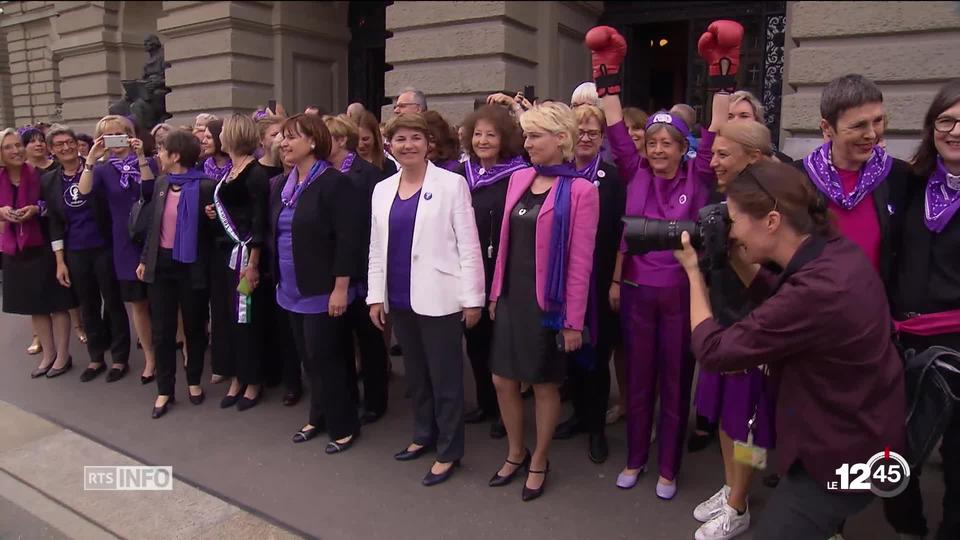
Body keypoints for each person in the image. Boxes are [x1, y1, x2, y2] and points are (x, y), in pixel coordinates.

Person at [677, 161, 905, 540]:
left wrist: (691, 273)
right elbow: (783, 297)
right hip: (864, 434)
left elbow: (714, 351)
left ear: (771, 221)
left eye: (733, 221)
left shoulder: (819, 289)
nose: (728, 230)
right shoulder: (835, 253)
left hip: (843, 457)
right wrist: (734, 256)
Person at [586, 25, 718, 498]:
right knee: (638, 382)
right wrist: (608, 77)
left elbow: (716, 129)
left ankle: (668, 467)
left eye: (669, 143)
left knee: (675, 382)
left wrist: (722, 74)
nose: (658, 149)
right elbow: (617, 127)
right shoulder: (633, 170)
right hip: (640, 294)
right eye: (653, 142)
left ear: (684, 148)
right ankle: (637, 458)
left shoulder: (698, 177)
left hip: (680, 296)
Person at [487, 102, 599, 501]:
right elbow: (504, 244)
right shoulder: (519, 179)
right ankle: (516, 451)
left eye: (535, 136)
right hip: (512, 297)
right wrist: (495, 292)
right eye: (527, 134)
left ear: (561, 139)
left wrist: (572, 320)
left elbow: (581, 262)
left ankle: (540, 458)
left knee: (543, 384)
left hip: (547, 305)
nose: (527, 142)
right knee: (503, 379)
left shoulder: (582, 190)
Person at [368, 112, 484, 486]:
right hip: (399, 297)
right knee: (416, 377)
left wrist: (473, 299)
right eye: (400, 139)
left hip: (441, 297)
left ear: (428, 143)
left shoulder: (451, 184)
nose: (408, 145)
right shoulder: (382, 189)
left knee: (445, 378)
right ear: (390, 146)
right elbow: (375, 248)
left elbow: (469, 246)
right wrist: (374, 296)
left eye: (415, 138)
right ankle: (423, 435)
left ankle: (449, 450)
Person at [690, 122, 778, 540]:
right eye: (713, 153)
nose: (713, 161)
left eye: (724, 154)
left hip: (758, 338)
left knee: (750, 429)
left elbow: (774, 284)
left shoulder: (775, 212)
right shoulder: (720, 203)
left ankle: (740, 503)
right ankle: (731, 488)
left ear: (754, 159)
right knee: (728, 422)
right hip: (724, 330)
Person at [883, 78, 960, 540]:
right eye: (946, 121)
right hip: (903, 341)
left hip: (957, 345)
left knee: (959, 456)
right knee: (894, 448)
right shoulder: (909, 185)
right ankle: (907, 523)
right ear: (932, 127)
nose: (955, 131)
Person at [271, 114, 364, 454]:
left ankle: (343, 425)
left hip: (323, 289)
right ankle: (318, 415)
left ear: (312, 142)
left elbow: (348, 240)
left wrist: (341, 288)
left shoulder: (335, 183)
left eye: (291, 137)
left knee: (327, 357)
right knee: (309, 359)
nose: (283, 142)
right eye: (282, 136)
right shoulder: (285, 182)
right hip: (290, 287)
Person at [552, 103, 625, 465]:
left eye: (592, 132)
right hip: (562, 280)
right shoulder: (557, 175)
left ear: (601, 138)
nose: (585, 137)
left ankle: (596, 426)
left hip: (598, 280)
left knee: (596, 353)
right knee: (570, 352)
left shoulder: (612, 179)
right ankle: (579, 415)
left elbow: (622, 234)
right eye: (578, 131)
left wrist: (615, 280)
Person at [454, 105, 528, 437]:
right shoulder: (461, 173)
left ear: (504, 139)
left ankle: (505, 411)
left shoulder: (518, 175)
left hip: (503, 269)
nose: (483, 140)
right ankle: (484, 402)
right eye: (478, 134)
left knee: (502, 345)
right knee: (476, 339)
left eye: (491, 134)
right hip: (469, 269)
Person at [800, 74, 911, 288]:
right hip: (814, 311)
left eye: (878, 121)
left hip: (877, 312)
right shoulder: (797, 178)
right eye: (859, 125)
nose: (871, 134)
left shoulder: (900, 176)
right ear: (826, 128)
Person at [43, 125, 131, 383]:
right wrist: (60, 261)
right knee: (88, 305)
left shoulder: (99, 170)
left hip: (102, 245)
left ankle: (119, 358)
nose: (66, 147)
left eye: (69, 142)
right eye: (59, 144)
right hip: (75, 250)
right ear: (52, 150)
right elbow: (55, 223)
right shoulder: (49, 181)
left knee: (113, 302)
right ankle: (96, 357)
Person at [136, 130, 215, 418]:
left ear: (176, 155)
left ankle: (194, 381)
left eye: (163, 149)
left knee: (195, 327)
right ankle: (164, 390)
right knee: (163, 330)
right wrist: (146, 259)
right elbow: (152, 228)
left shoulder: (206, 186)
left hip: (192, 264)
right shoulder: (161, 183)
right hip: (162, 265)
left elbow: (217, 233)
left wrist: (213, 218)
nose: (159, 154)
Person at [78, 115, 158, 384]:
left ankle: (176, 350)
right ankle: (150, 357)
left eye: (120, 133)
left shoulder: (150, 161)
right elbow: (84, 192)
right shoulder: (102, 169)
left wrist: (141, 156)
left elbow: (149, 189)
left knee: (164, 300)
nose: (116, 141)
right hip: (124, 241)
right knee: (138, 303)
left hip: (153, 236)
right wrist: (90, 159)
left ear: (130, 133)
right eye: (108, 135)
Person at [323, 114, 390, 424]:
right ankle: (347, 394)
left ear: (339, 141)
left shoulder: (370, 175)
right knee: (338, 339)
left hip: (363, 269)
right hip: (331, 267)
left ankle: (376, 400)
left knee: (369, 339)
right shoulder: (319, 173)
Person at [204, 114, 273, 411]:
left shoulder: (255, 173)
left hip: (246, 257)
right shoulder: (231, 171)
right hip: (224, 256)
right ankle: (235, 376)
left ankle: (252, 380)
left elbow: (259, 221)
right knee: (227, 318)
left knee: (247, 319)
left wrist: (254, 263)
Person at [0, 127, 76, 378]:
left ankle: (63, 356)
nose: (16, 150)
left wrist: (36, 209)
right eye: (8, 147)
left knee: (57, 302)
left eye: (17, 145)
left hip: (45, 246)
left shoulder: (41, 175)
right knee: (35, 305)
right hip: (16, 250)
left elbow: (56, 213)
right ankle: (49, 354)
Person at [357, 111, 398, 178]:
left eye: (365, 139)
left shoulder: (388, 165)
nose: (360, 145)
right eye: (356, 139)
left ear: (375, 137)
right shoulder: (347, 165)